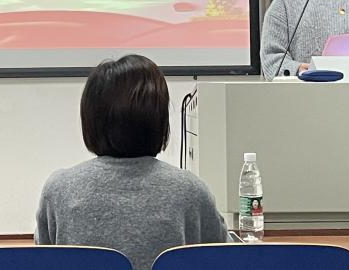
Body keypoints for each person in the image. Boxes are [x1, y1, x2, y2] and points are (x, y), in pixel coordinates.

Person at [36, 54, 227, 270]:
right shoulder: (191, 191)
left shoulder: (59, 189)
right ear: (159, 119)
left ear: (90, 119)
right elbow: (225, 259)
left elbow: (43, 260)